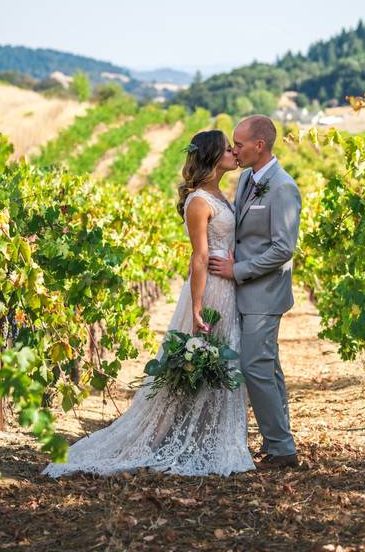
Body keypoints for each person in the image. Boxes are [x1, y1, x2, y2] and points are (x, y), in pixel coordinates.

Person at [42, 129, 254, 477]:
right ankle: (168, 438)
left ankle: (213, 437)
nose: (233, 151)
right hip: (212, 286)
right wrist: (197, 305)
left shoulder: (220, 194)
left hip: (226, 283)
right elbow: (199, 257)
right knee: (201, 358)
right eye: (227, 148)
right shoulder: (199, 201)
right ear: (214, 157)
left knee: (223, 358)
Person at [209, 114, 301, 469]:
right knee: (268, 367)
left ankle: (280, 448)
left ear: (259, 146)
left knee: (254, 366)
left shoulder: (282, 187)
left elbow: (283, 248)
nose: (234, 149)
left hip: (264, 291)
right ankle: (280, 442)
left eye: (240, 144)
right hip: (243, 290)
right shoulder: (247, 177)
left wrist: (238, 270)